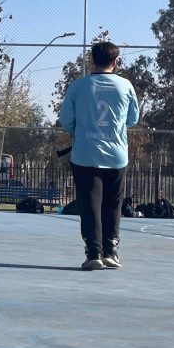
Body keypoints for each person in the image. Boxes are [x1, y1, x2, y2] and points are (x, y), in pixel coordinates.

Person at [58, 40, 140, 270]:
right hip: (116, 155)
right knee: (113, 204)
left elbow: (66, 120)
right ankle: (111, 251)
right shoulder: (125, 86)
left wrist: (81, 132)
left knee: (90, 205)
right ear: (116, 62)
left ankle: (94, 253)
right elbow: (132, 119)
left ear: (92, 60)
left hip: (85, 154)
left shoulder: (78, 86)